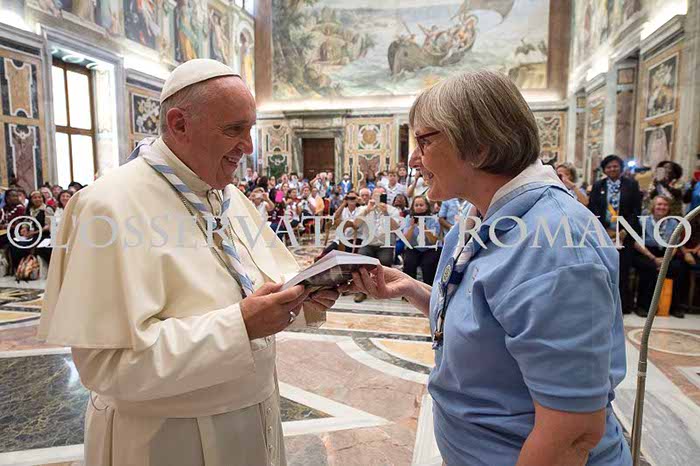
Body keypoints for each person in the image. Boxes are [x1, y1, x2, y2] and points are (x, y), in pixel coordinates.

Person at [39, 59, 339, 466]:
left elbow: (259, 290)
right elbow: (105, 365)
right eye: (234, 130)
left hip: (254, 419)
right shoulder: (108, 206)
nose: (249, 147)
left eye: (250, 129)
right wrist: (239, 326)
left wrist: (304, 297)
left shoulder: (228, 196)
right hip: (167, 439)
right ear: (179, 124)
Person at [348, 71, 631, 465]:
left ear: (479, 147)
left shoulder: (553, 246)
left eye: (424, 141)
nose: (412, 159)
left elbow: (570, 435)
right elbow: (489, 321)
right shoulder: (478, 218)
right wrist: (413, 288)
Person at [589, 154, 643, 313]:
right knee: (603, 268)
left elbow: (636, 210)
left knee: (623, 269)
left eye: (615, 166)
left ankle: (624, 305)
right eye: (609, 167)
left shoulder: (631, 184)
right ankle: (603, 303)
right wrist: (605, 230)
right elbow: (593, 209)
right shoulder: (598, 185)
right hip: (603, 233)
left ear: (621, 168)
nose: (612, 169)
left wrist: (625, 230)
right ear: (604, 170)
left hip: (625, 234)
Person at [631, 195, 685, 318]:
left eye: (665, 205)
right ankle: (643, 306)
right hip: (646, 252)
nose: (662, 207)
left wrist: (665, 261)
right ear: (653, 206)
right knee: (648, 268)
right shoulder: (643, 221)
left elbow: (675, 245)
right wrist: (653, 258)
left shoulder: (674, 223)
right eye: (659, 204)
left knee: (677, 267)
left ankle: (674, 307)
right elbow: (637, 243)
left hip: (666, 253)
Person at [351, 186, 401, 302]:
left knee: (385, 262)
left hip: (385, 244)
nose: (378, 198)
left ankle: (384, 290)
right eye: (376, 195)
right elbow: (355, 225)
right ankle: (361, 291)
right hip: (368, 243)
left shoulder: (392, 210)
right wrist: (367, 211)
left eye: (381, 195)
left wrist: (385, 213)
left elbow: (396, 228)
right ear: (372, 196)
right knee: (360, 261)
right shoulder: (363, 209)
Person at [401, 195, 440, 284]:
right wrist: (412, 227)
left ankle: (429, 288)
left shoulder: (433, 219)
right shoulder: (408, 218)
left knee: (428, 264)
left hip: (429, 248)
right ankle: (409, 288)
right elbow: (406, 239)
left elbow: (433, 241)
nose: (418, 207)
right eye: (416, 205)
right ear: (413, 207)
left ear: (426, 206)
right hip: (413, 247)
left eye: (421, 205)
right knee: (409, 262)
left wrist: (425, 228)